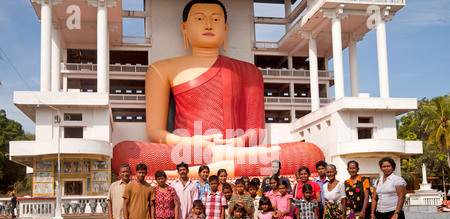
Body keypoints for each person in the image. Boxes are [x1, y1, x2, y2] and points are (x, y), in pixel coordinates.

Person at [111, 0, 324, 178]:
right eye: (199, 18)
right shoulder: (161, 69)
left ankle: (188, 173)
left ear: (225, 28)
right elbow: (155, 131)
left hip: (235, 149)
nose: (208, 25)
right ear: (184, 27)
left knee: (310, 153)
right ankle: (227, 165)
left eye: (215, 19)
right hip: (186, 151)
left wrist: (238, 141)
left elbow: (256, 131)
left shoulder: (248, 71)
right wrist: (189, 141)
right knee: (125, 153)